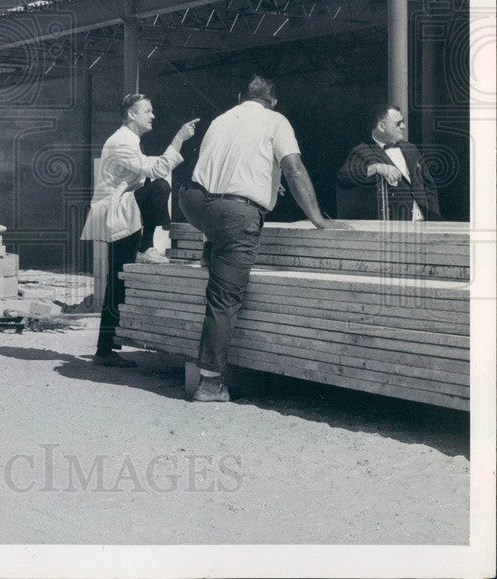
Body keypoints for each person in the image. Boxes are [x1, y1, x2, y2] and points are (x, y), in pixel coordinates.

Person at [178, 75, 349, 401]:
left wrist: (264, 181)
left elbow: (226, 166)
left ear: (241, 96)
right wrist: (318, 218)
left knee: (221, 220)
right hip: (233, 216)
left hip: (195, 203)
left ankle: (209, 249)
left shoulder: (222, 118)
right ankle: (210, 383)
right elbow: (294, 169)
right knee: (223, 298)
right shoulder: (276, 120)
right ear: (273, 101)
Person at [81, 93, 199, 367]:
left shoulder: (130, 140)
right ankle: (146, 246)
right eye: (147, 111)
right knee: (160, 186)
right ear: (131, 115)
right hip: (118, 212)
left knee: (117, 278)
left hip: (126, 210)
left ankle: (104, 349)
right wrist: (179, 139)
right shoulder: (122, 141)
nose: (152, 115)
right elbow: (157, 169)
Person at [336, 104, 440, 221]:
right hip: (396, 225)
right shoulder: (363, 151)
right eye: (398, 123)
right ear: (381, 126)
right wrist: (376, 168)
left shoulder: (411, 148)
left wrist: (434, 219)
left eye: (403, 122)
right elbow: (343, 178)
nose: (403, 126)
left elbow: (429, 186)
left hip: (424, 222)